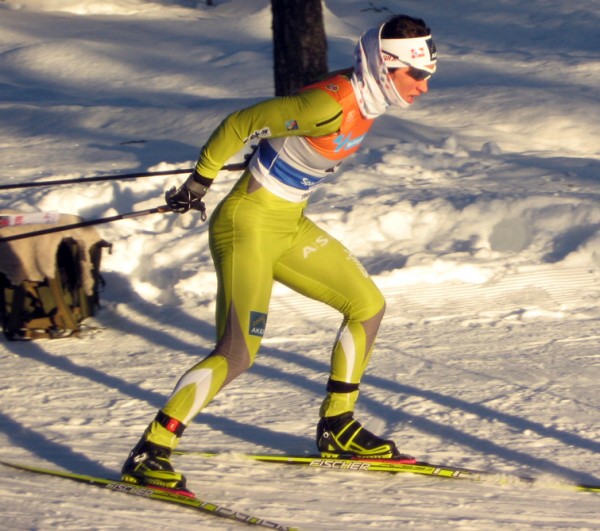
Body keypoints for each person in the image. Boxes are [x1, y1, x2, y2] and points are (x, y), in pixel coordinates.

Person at [122, 14, 437, 491]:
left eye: (428, 76)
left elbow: (279, 140)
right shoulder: (327, 105)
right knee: (238, 353)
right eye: (417, 74)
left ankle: (338, 426)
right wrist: (199, 181)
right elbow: (242, 122)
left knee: (368, 305)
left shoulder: (369, 99)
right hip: (247, 224)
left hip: (287, 224)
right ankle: (151, 450)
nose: (423, 87)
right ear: (385, 65)